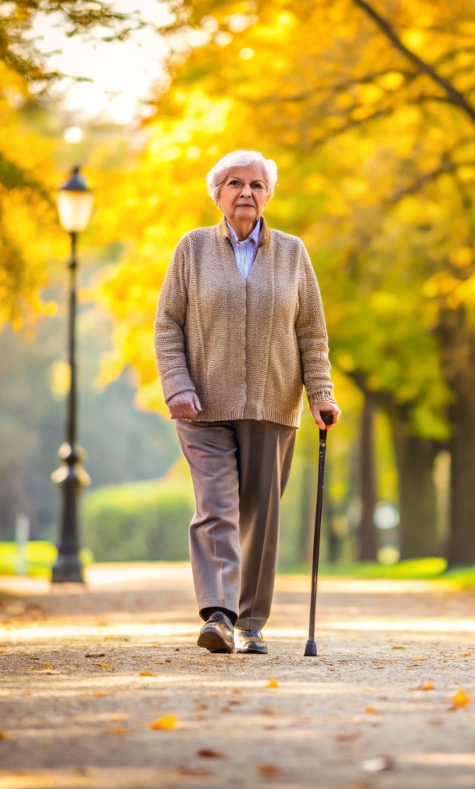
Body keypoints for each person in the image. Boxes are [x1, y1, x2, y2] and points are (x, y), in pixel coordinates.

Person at [154, 150, 340, 654]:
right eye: (234, 183)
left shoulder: (293, 254)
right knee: (216, 506)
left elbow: (312, 333)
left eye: (256, 185)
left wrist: (321, 395)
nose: (245, 193)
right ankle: (219, 614)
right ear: (216, 194)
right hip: (202, 406)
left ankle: (251, 621)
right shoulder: (191, 251)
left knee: (259, 512)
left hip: (272, 403)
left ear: (268, 196)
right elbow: (168, 323)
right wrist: (177, 383)